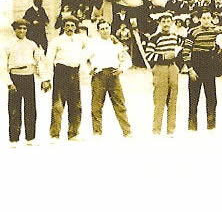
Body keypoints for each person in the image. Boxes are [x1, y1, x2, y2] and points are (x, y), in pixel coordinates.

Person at [5, 19, 49, 147]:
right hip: (15, 77)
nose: (22, 31)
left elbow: (39, 62)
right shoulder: (8, 45)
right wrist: (9, 82)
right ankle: (14, 139)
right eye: (19, 28)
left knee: (30, 107)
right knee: (14, 109)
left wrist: (44, 79)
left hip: (28, 77)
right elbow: (2, 65)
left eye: (24, 29)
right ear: (15, 30)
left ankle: (30, 138)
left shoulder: (32, 45)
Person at [86, 20, 133, 137]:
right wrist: (90, 68)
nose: (105, 31)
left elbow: (126, 59)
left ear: (110, 28)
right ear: (98, 31)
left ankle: (127, 131)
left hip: (113, 74)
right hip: (99, 75)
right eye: (102, 29)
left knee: (120, 103)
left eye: (107, 28)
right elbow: (84, 57)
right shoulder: (93, 43)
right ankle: (97, 132)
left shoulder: (116, 44)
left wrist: (121, 69)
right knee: (96, 105)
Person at [46, 14, 87, 142]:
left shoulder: (80, 40)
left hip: (75, 72)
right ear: (63, 27)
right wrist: (46, 78)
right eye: (67, 25)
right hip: (61, 72)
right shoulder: (56, 41)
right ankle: (54, 134)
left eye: (72, 25)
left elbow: (93, 47)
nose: (70, 28)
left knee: (76, 104)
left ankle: (73, 133)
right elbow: (48, 60)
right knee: (58, 105)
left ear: (76, 27)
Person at [182, 9, 221, 131]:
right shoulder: (193, 32)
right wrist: (190, 69)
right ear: (199, 19)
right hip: (196, 65)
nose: (206, 21)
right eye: (203, 18)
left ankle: (211, 127)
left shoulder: (215, 31)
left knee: (212, 98)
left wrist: (216, 48)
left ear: (211, 19)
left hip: (209, 66)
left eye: (208, 18)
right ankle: (192, 128)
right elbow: (186, 51)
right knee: (194, 98)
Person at [144, 13, 182, 136]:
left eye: (168, 21)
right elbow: (148, 55)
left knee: (173, 101)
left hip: (173, 68)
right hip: (160, 69)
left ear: (172, 23)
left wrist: (179, 63)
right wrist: (163, 56)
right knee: (160, 100)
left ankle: (171, 130)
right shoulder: (154, 38)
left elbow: (187, 44)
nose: (166, 24)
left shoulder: (175, 36)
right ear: (160, 23)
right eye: (163, 21)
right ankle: (156, 130)